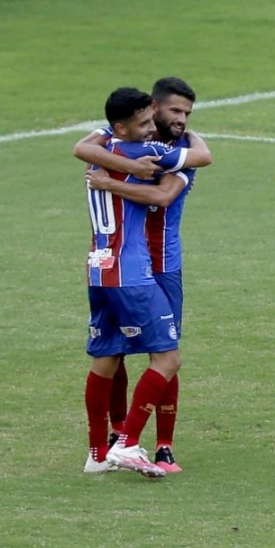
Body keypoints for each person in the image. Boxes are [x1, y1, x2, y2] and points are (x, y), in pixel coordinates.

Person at [79, 87, 211, 477]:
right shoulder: (148, 152)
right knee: (167, 356)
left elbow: (82, 147)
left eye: (188, 114)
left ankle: (100, 451)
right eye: (169, 113)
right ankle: (127, 443)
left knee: (108, 354)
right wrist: (138, 169)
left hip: (99, 266)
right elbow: (202, 158)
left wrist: (108, 181)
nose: (179, 120)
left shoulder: (105, 144)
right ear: (152, 109)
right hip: (132, 269)